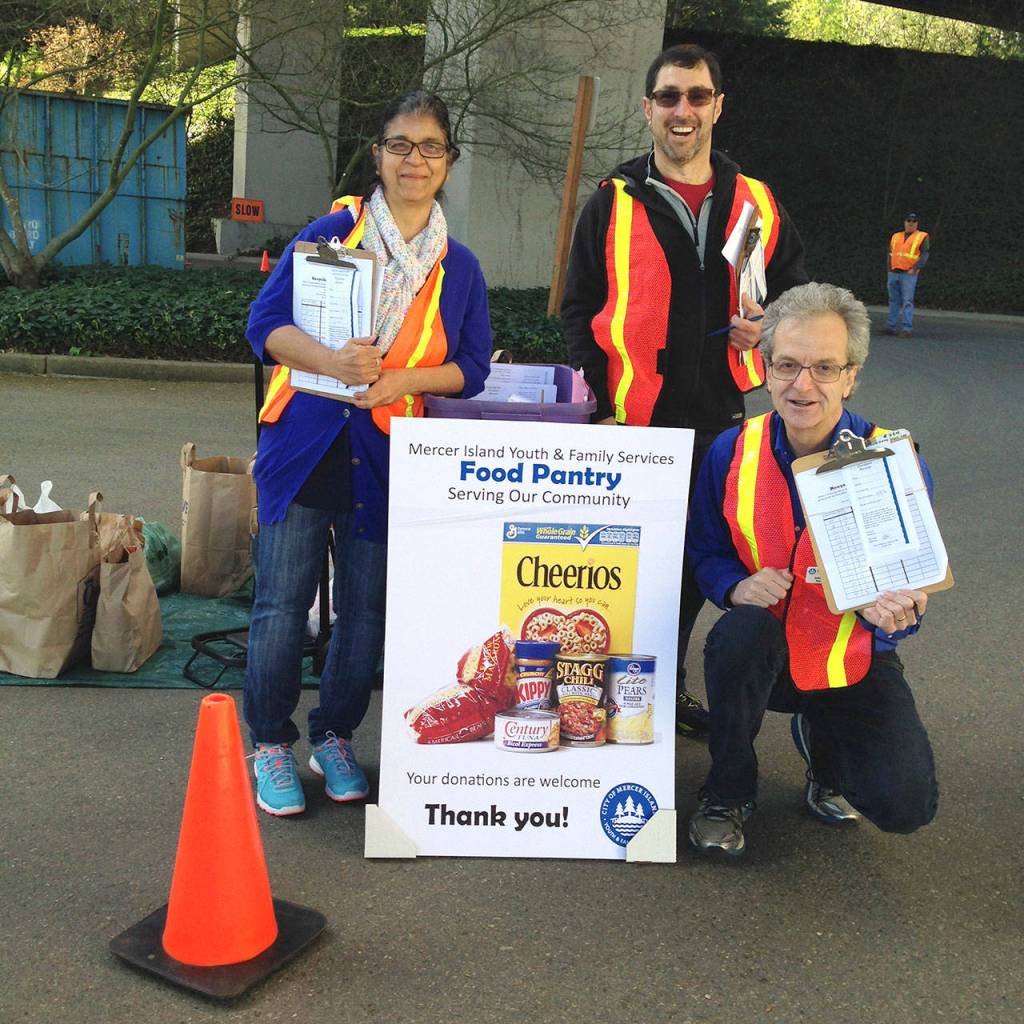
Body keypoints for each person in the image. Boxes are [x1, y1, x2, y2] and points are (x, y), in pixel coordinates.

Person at [244, 91, 492, 816]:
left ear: (447, 162)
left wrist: (397, 380)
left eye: (431, 147)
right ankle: (268, 743)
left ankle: (335, 736)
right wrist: (331, 360)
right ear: (377, 154)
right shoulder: (333, 232)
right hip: (305, 443)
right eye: (400, 145)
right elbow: (265, 326)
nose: (415, 160)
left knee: (364, 613)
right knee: (280, 605)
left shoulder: (460, 266)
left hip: (388, 457)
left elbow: (470, 368)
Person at [562, 43, 808, 738]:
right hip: (631, 426)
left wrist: (769, 326)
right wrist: (598, 403)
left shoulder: (756, 202)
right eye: (669, 97)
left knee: (700, 567)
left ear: (717, 107)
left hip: (722, 420)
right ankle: (613, 701)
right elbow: (578, 306)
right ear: (648, 109)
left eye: (697, 97)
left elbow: (796, 292)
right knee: (627, 575)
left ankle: (658, 695)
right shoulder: (613, 200)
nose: (683, 110)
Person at [685, 282, 939, 857]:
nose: (803, 385)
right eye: (788, 365)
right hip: (762, 654)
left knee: (904, 806)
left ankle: (829, 754)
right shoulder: (731, 451)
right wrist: (734, 584)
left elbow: (913, 583)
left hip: (847, 655)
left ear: (852, 377)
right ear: (766, 369)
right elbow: (704, 549)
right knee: (740, 633)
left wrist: (898, 616)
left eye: (825, 368)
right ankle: (727, 790)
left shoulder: (894, 462)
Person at [885, 213, 930, 337]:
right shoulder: (896, 236)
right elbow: (890, 253)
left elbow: (925, 254)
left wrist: (916, 268)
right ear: (904, 222)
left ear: (917, 223)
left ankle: (906, 328)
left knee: (907, 301)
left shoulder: (922, 236)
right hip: (894, 272)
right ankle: (891, 326)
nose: (911, 223)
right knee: (894, 300)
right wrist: (889, 268)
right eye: (909, 221)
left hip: (908, 273)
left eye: (914, 221)